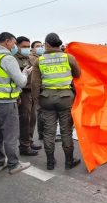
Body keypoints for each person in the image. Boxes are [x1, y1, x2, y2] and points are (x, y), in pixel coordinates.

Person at [0, 32, 32, 174]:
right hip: (5, 102)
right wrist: (26, 73)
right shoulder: (7, 58)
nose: (14, 46)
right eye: (13, 43)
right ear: (6, 41)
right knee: (10, 135)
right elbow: (21, 82)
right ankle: (14, 164)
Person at [31, 33, 81, 170]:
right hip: (66, 99)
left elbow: (34, 84)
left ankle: (50, 162)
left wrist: (37, 103)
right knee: (66, 131)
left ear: (46, 44)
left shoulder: (39, 61)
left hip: (46, 99)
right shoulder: (68, 58)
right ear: (59, 44)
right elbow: (78, 74)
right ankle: (69, 161)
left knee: (49, 132)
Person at [15, 36, 41, 156]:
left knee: (32, 119)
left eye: (27, 47)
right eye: (23, 47)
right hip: (23, 92)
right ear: (17, 46)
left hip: (32, 91)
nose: (26, 49)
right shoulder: (14, 59)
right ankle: (24, 146)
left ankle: (29, 141)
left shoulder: (29, 58)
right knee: (25, 120)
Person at [29, 40, 45, 140]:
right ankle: (41, 134)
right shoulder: (32, 58)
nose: (40, 48)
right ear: (33, 48)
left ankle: (42, 134)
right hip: (34, 88)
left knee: (41, 112)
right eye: (38, 46)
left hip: (41, 87)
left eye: (41, 46)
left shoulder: (40, 58)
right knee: (39, 112)